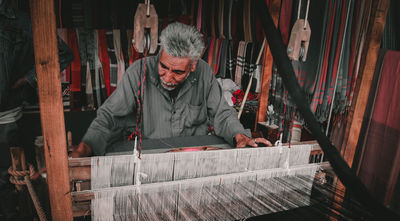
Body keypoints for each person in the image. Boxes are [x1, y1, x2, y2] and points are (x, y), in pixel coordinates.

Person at [71, 22, 271, 158]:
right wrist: (84, 148)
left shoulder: (202, 73)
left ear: (192, 65)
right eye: (163, 67)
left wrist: (239, 135)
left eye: (177, 72)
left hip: (194, 159)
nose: (167, 77)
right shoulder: (138, 73)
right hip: (151, 160)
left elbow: (222, 113)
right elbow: (109, 117)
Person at [0, 0, 73, 221]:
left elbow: (64, 54)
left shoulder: (19, 20)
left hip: (5, 114)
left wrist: (23, 80)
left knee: (6, 178)